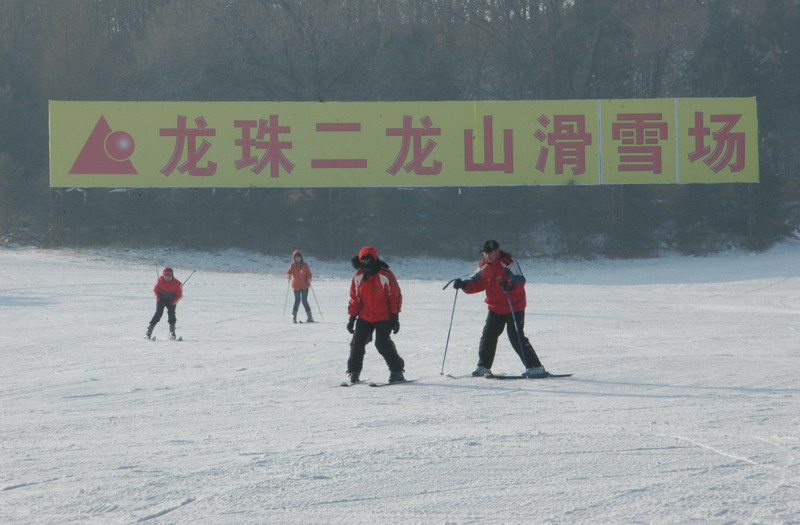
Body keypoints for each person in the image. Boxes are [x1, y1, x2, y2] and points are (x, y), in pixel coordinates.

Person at [452, 240, 547, 378]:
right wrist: (463, 285)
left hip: (513, 306)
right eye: (485, 253)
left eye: (490, 253)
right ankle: (483, 366)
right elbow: (477, 282)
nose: (487, 256)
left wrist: (509, 285)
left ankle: (535, 367)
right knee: (488, 336)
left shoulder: (508, 263)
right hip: (495, 307)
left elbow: (520, 280)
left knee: (515, 336)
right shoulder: (483, 266)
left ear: (497, 251)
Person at [345, 246, 405, 384]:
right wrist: (352, 318)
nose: (366, 262)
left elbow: (395, 295)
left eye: (369, 258)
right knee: (357, 343)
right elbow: (355, 298)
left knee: (382, 343)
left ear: (375, 258)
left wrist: (395, 317)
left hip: (384, 316)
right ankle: (353, 372)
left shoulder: (385, 274)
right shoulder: (358, 276)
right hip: (365, 316)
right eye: (363, 259)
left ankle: (397, 371)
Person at [146, 267, 182, 340]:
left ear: (172, 275)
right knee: (158, 314)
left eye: (169, 275)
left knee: (172, 315)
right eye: (166, 275)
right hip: (161, 300)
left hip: (172, 301)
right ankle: (148, 331)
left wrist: (174, 302)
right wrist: (159, 298)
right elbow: (156, 290)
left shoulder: (177, 284)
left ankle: (172, 332)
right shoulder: (159, 281)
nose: (168, 277)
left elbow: (179, 295)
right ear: (163, 275)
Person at [286, 249, 314, 323]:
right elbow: (288, 272)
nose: (297, 258)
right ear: (294, 258)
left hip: (305, 286)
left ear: (301, 258)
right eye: (296, 257)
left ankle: (310, 317)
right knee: (297, 301)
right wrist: (288, 276)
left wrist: (309, 279)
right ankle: (294, 317)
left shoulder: (305, 265)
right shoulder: (292, 266)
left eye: (299, 257)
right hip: (296, 286)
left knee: (304, 301)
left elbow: (309, 274)